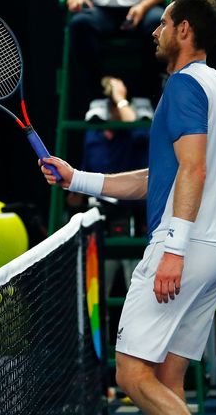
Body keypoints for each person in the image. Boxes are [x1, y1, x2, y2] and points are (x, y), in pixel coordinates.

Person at [41, 0, 216, 413]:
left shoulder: (183, 87)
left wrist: (174, 250)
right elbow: (158, 178)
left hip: (185, 246)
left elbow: (192, 171)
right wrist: (79, 178)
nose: (156, 32)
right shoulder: (213, 84)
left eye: (163, 23)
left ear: (184, 29)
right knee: (166, 378)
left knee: (129, 374)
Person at [73, 76, 151, 296]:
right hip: (99, 221)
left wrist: (120, 99)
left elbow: (140, 130)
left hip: (134, 222)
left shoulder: (134, 135)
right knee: (94, 296)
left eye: (115, 104)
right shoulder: (93, 133)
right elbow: (84, 168)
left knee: (137, 292)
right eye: (110, 103)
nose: (112, 108)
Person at [61, 0, 170, 119]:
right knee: (80, 23)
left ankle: (144, 100)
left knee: (157, 23)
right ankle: (98, 101)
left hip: (143, 8)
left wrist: (143, 6)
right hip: (100, 10)